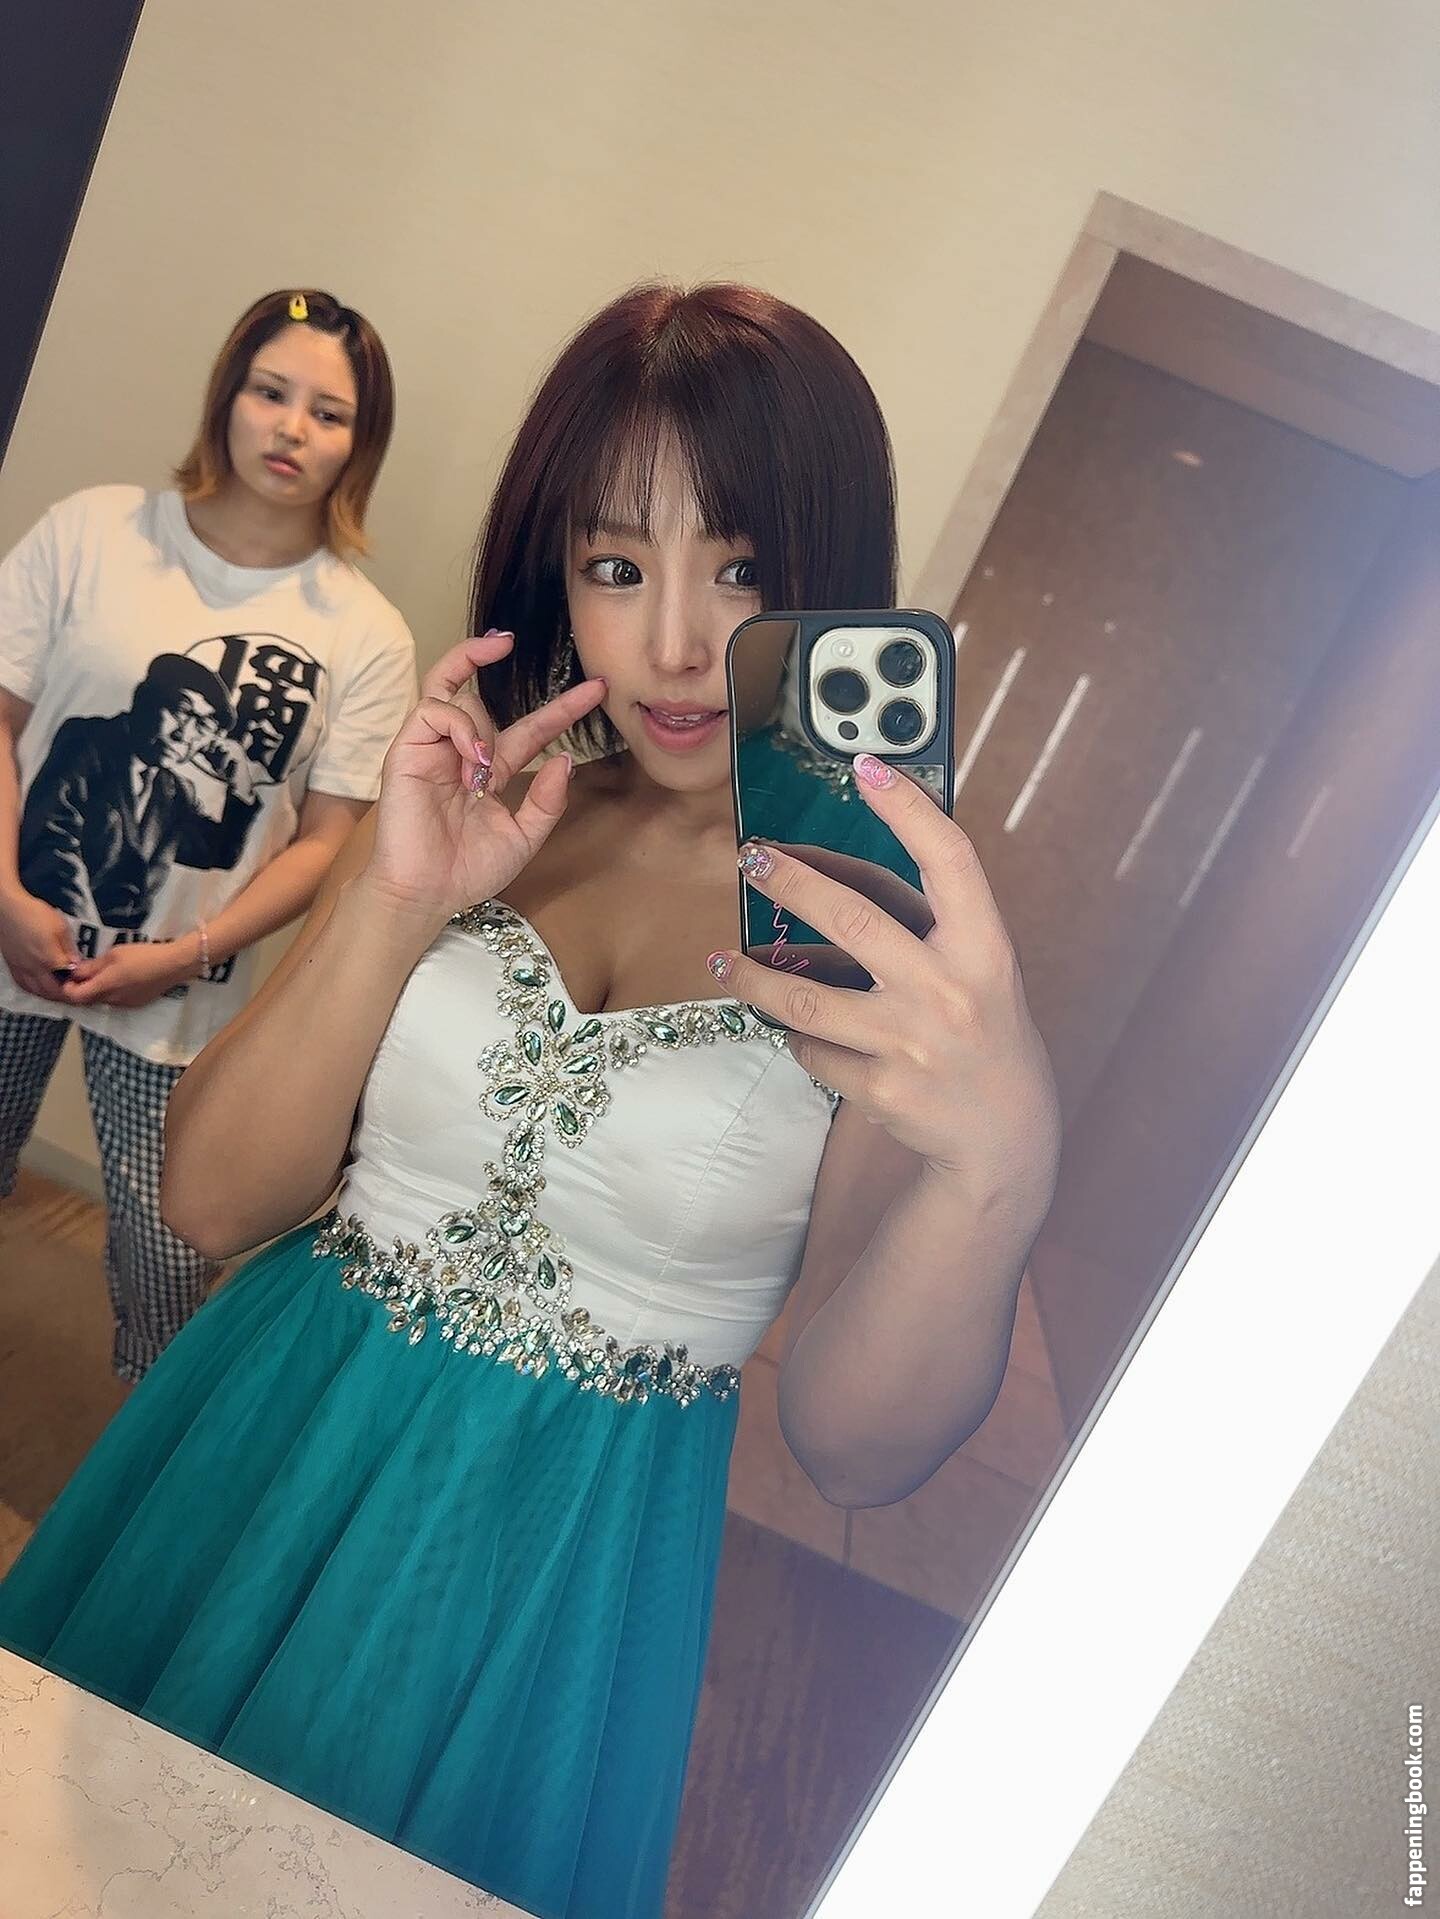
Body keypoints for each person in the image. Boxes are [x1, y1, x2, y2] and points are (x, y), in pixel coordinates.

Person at [0, 285, 1061, 1918]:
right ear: (554, 568)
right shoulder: (483, 798)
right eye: (615, 564)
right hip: (261, 1427)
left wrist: (1001, 1170)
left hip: (550, 1553)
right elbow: (205, 1199)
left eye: (742, 568)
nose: (674, 642)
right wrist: (393, 896)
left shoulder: (878, 931)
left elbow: (853, 1446)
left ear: (832, 579)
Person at [0, 288, 418, 1379]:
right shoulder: (94, 531)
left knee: (167, 1253)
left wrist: (183, 952)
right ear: (226, 396)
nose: (291, 428)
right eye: (271, 392)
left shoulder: (364, 633)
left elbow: (326, 841)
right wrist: (6, 896)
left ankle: (147, 1447)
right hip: (11, 932)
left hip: (181, 989)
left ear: (359, 443)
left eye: (329, 412)